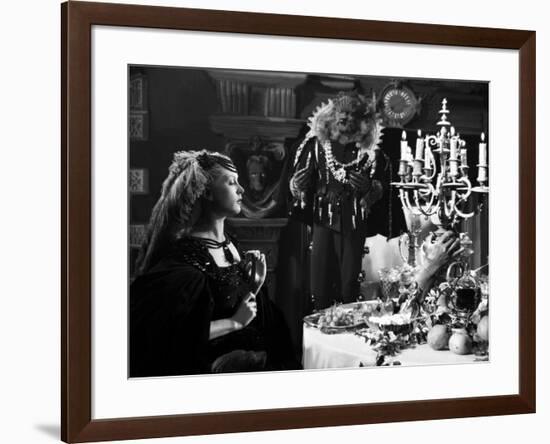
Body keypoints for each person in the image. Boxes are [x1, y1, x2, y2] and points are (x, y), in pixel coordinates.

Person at [130, 150, 300, 377]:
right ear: (207, 192)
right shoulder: (184, 262)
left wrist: (254, 284)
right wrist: (234, 323)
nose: (241, 190)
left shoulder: (229, 243)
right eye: (231, 183)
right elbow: (170, 334)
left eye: (239, 182)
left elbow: (233, 301)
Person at [289, 92, 400, 309]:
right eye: (341, 113)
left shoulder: (369, 150)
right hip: (322, 218)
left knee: (349, 283)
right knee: (319, 283)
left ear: (360, 120)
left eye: (350, 114)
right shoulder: (316, 145)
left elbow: (382, 185)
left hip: (354, 219)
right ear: (332, 116)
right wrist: (297, 184)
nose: (344, 118)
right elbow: (298, 183)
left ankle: (347, 328)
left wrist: (369, 187)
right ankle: (322, 327)